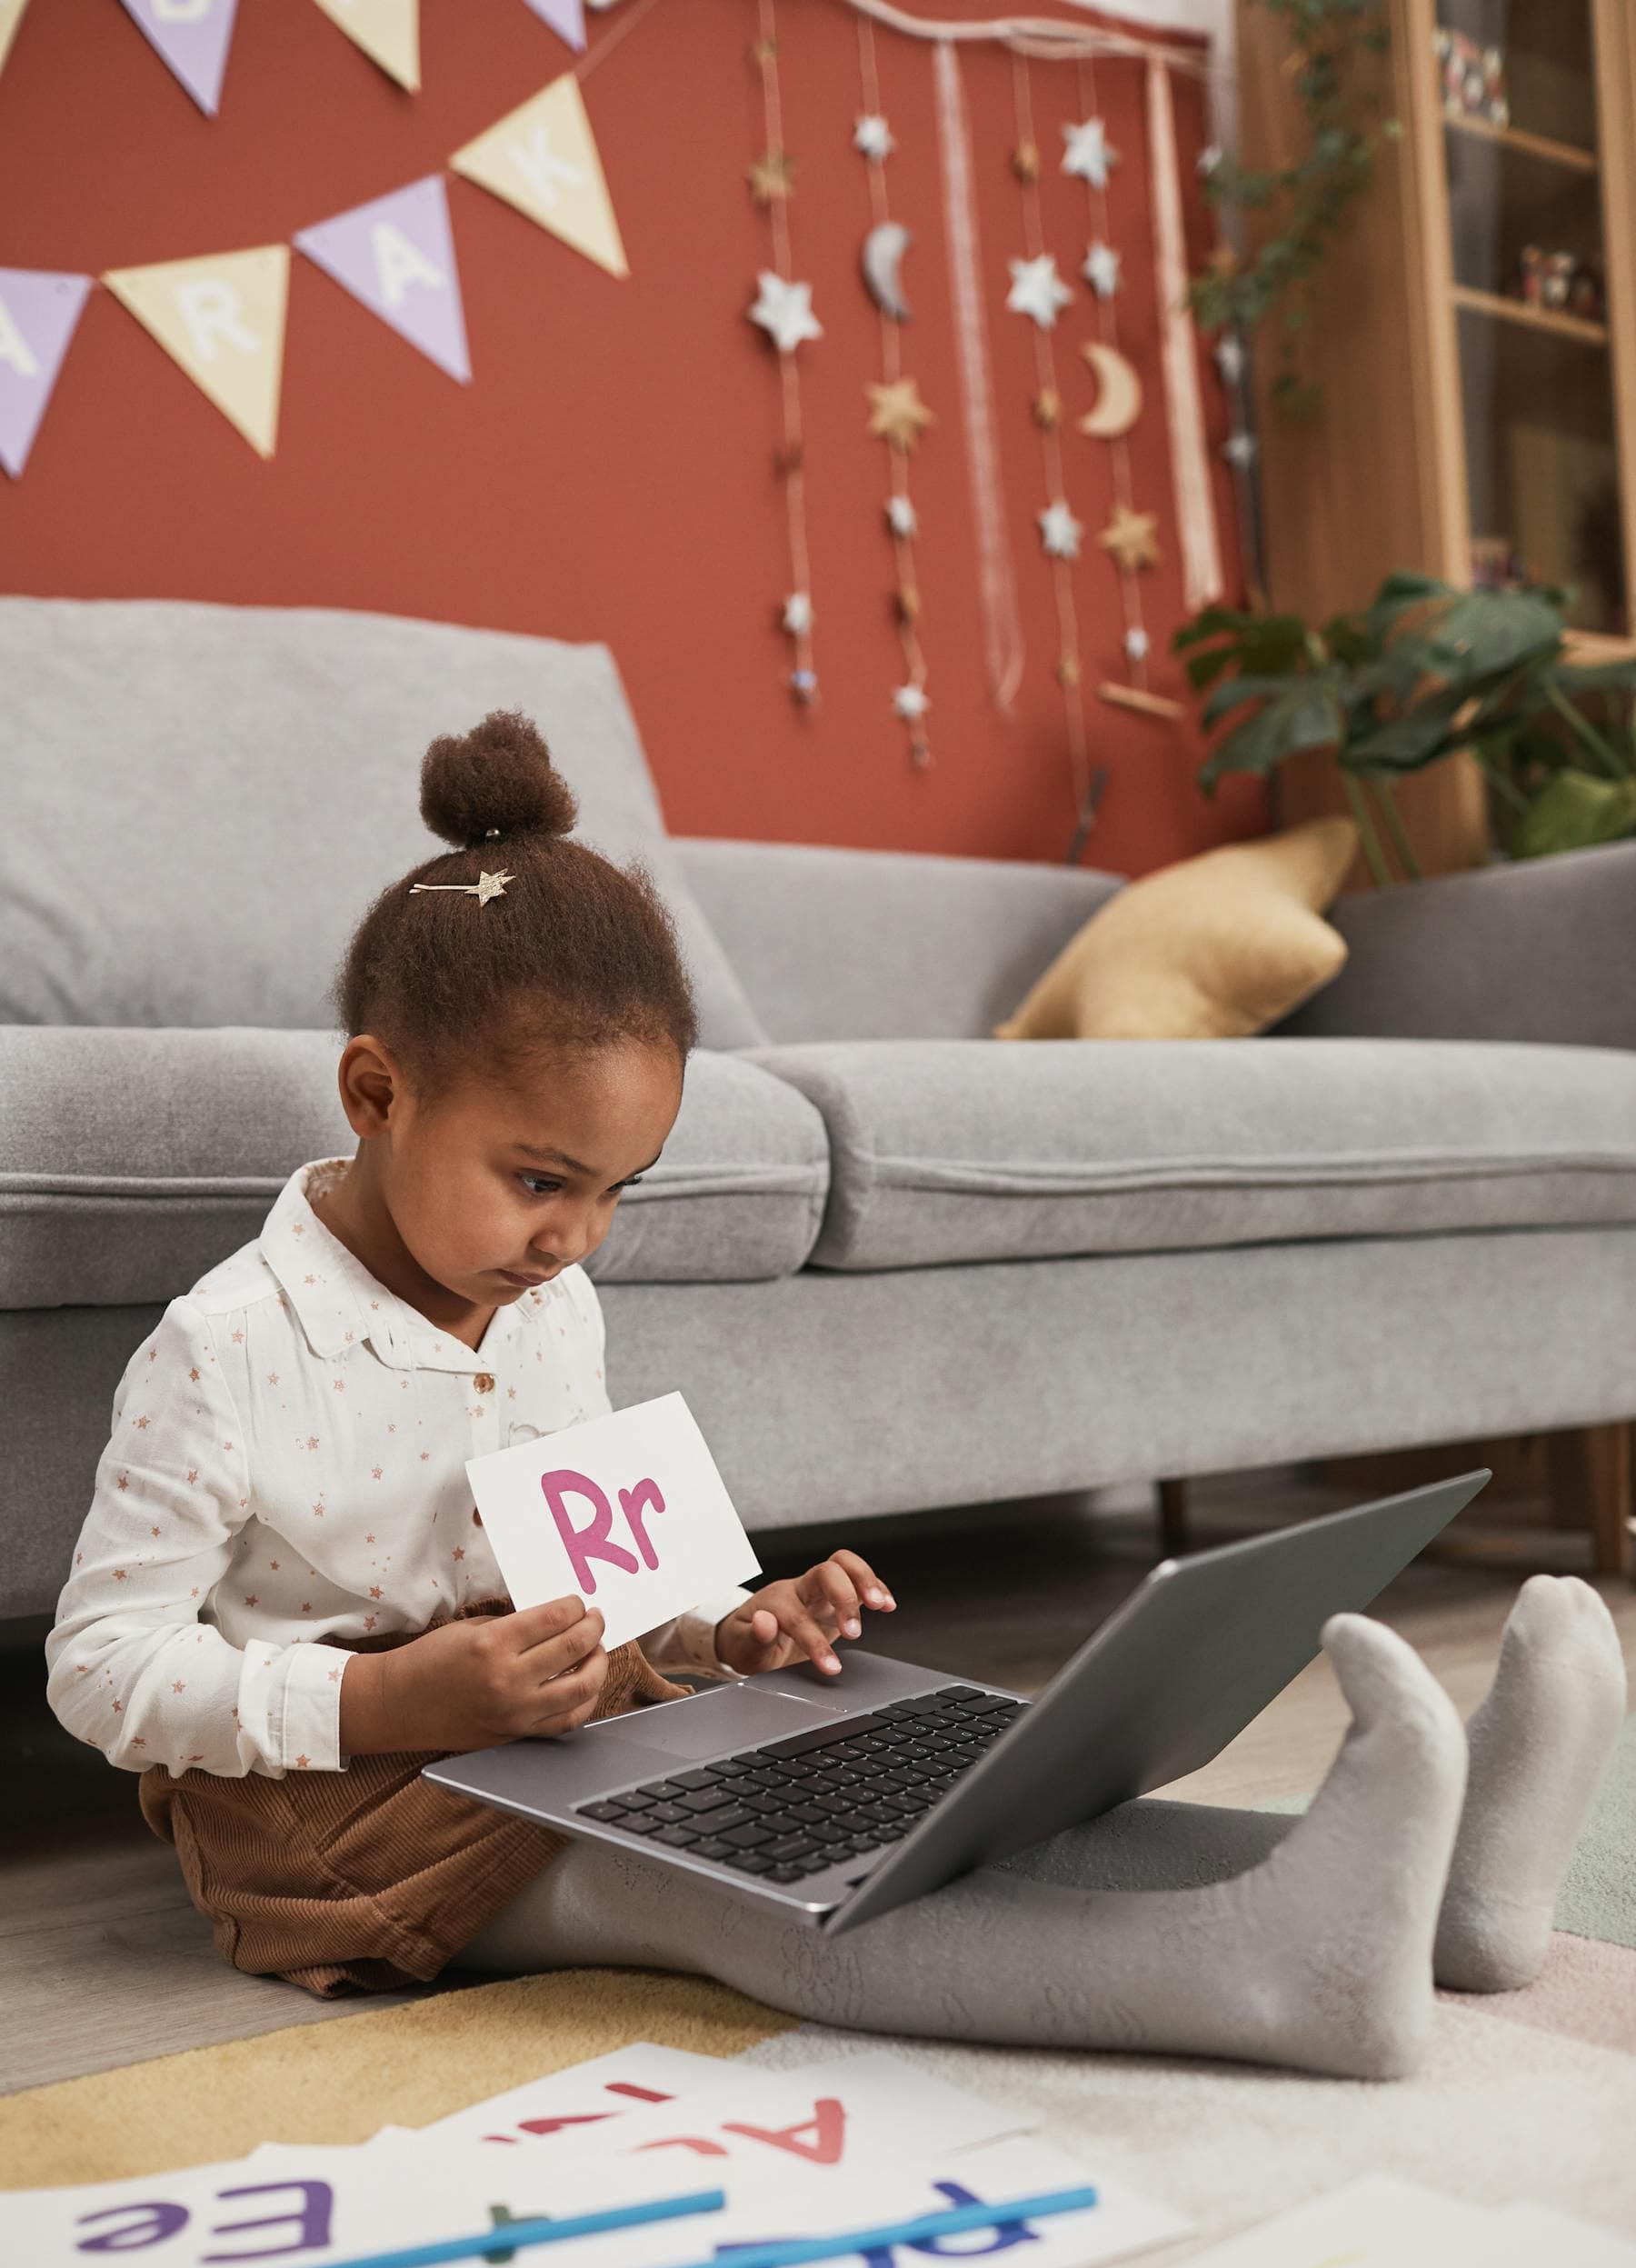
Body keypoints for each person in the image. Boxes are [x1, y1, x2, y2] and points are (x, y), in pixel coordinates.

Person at [47, 713, 1626, 2077]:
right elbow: (101, 1672)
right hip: (343, 1811)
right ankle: (1260, 1973)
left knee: (911, 1796)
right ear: (378, 1094)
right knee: (756, 1895)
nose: (580, 1237)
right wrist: (397, 1699)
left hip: (558, 1729)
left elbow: (604, 1576)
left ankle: (1445, 1897)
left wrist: (722, 1626)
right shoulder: (229, 1346)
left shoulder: (549, 1302)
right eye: (541, 1180)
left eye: (619, 1190)